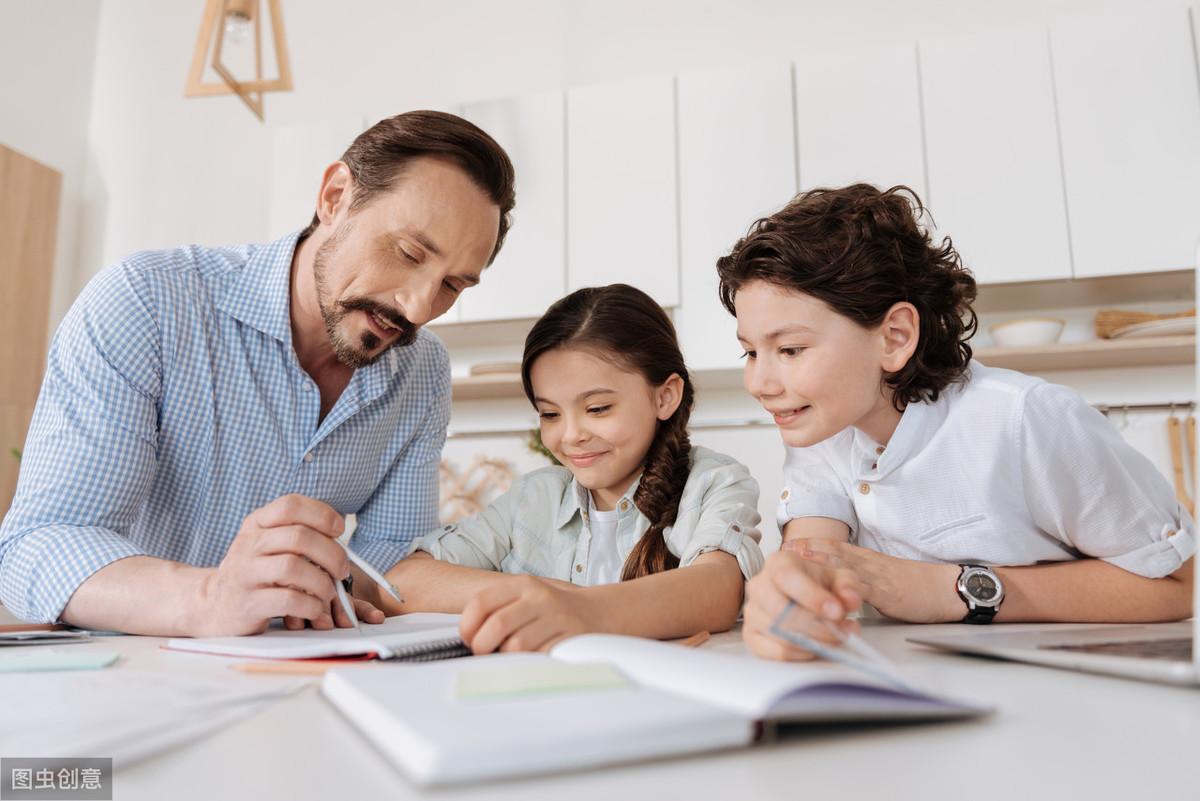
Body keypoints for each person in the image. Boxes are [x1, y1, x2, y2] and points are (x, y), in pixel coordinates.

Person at [0, 111, 515, 636]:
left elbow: (385, 563)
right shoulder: (147, 303)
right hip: (129, 665)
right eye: (408, 253)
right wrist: (210, 599)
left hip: (302, 665)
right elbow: (39, 543)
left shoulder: (422, 371)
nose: (418, 306)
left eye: (453, 285)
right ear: (336, 197)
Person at [717, 183, 1196, 662]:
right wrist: (794, 596)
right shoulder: (819, 427)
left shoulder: (1025, 419)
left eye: (790, 350)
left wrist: (953, 589)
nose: (759, 382)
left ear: (894, 337)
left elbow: (1174, 585)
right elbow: (816, 553)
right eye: (750, 351)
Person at [357, 284, 765, 653]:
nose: (570, 436)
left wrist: (579, 608)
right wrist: (536, 593)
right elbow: (399, 585)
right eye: (550, 414)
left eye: (597, 408)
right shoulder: (533, 499)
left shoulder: (713, 482)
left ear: (665, 396)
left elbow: (718, 589)